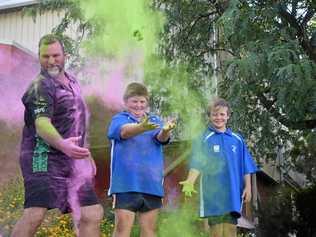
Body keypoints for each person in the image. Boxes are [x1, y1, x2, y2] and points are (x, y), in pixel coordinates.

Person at [11, 34, 103, 237]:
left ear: (65, 56)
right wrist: (63, 145)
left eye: (55, 55)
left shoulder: (73, 82)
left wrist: (85, 153)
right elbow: (41, 123)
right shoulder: (40, 86)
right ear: (39, 58)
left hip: (70, 157)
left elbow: (77, 121)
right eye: (45, 57)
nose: (51, 61)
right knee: (35, 213)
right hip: (42, 156)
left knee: (92, 213)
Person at [180, 98, 257, 237]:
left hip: (233, 193)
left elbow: (246, 165)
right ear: (209, 116)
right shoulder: (204, 138)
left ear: (228, 116)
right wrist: (190, 181)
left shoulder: (237, 139)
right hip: (213, 193)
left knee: (230, 231)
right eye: (215, 114)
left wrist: (248, 187)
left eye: (222, 114)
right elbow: (197, 163)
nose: (218, 118)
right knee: (216, 232)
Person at [107, 82, 176, 237]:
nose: (138, 105)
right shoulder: (120, 119)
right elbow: (123, 133)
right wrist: (141, 127)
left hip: (151, 184)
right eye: (134, 101)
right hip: (126, 184)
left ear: (147, 103)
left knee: (150, 231)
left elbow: (161, 138)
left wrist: (165, 131)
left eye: (142, 101)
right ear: (126, 102)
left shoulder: (154, 120)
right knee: (122, 230)